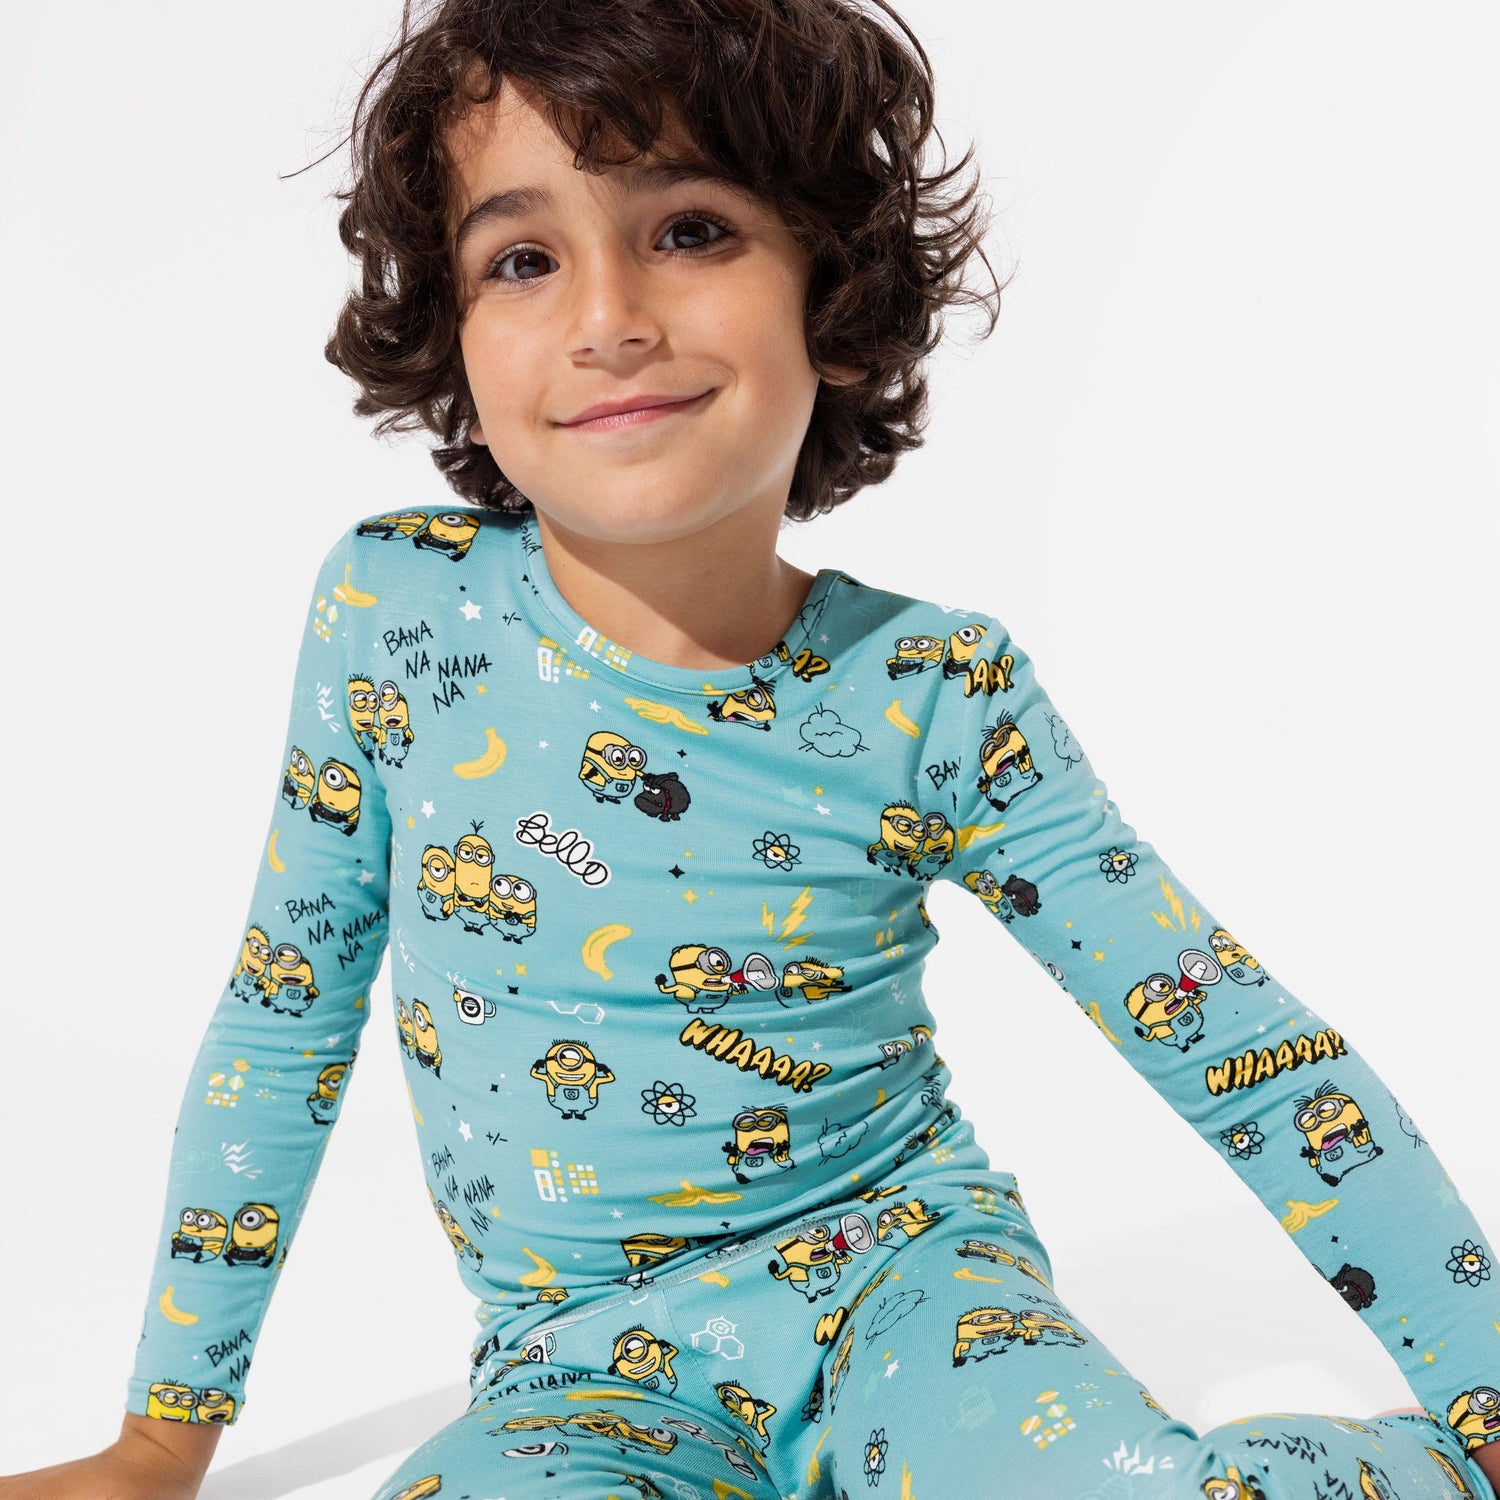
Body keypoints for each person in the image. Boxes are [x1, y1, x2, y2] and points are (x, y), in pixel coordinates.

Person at [2, 2, 1497, 1498]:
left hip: (915, 1299)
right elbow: (284, 1023)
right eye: (522, 259)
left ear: (829, 292)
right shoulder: (393, 617)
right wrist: (160, 1446)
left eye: (691, 231)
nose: (608, 318)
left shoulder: (933, 695)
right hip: (578, 1373)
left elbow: (1239, 1052)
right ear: (452, 331)